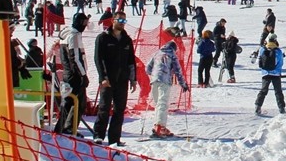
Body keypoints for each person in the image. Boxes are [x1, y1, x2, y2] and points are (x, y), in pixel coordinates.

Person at [93, 11, 137, 146]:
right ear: (113, 20)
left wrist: (133, 78)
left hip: (122, 80)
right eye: (120, 20)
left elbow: (131, 60)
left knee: (119, 109)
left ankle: (114, 138)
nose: (122, 23)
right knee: (104, 107)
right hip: (108, 79)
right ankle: (98, 135)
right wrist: (103, 77)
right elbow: (98, 59)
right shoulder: (103, 38)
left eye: (124, 21)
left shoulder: (126, 39)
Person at [53, 12, 90, 135]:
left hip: (69, 73)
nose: (85, 26)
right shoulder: (74, 36)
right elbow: (76, 57)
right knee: (75, 103)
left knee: (73, 102)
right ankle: (65, 128)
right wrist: (83, 75)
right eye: (84, 23)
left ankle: (66, 127)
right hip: (75, 75)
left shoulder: (67, 34)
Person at [145, 38, 189, 137]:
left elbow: (147, 67)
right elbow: (178, 70)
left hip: (154, 80)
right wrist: (183, 83)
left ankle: (157, 124)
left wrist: (154, 74)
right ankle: (160, 127)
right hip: (164, 80)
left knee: (158, 104)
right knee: (163, 103)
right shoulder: (172, 55)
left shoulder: (157, 53)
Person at [254, 34, 286, 115]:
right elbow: (280, 63)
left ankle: (257, 107)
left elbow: (259, 62)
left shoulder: (262, 49)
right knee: (278, 92)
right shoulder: (278, 51)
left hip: (265, 74)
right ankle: (281, 109)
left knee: (263, 91)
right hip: (276, 75)